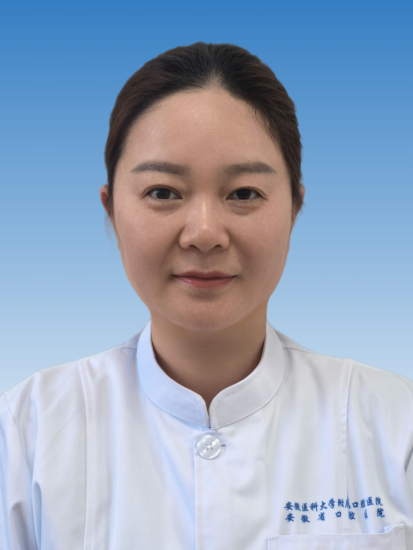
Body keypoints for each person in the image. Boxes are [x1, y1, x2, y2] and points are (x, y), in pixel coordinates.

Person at [0, 42, 412, 550]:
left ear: (294, 209)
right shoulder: (25, 434)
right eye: (163, 193)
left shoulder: (396, 426)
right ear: (111, 211)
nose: (204, 234)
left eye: (244, 194)